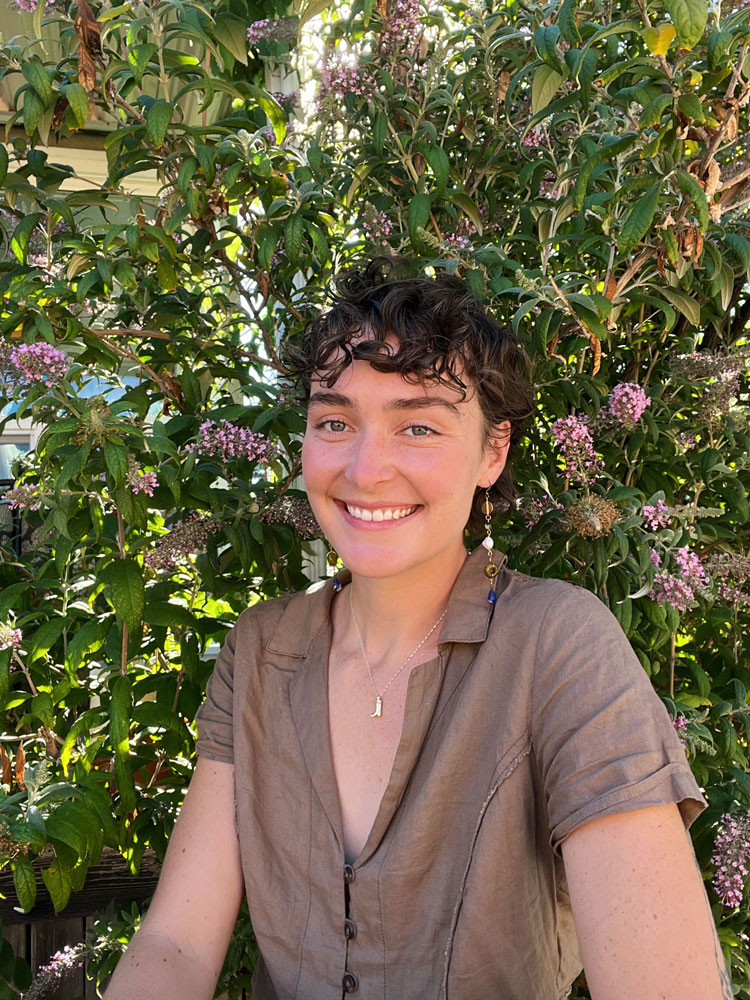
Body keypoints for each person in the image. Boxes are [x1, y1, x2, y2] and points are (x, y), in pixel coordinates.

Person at [104, 256, 730, 1000]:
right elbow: (176, 940)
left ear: (491, 452)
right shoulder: (260, 651)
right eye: (334, 421)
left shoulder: (559, 647)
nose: (367, 470)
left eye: (419, 427)